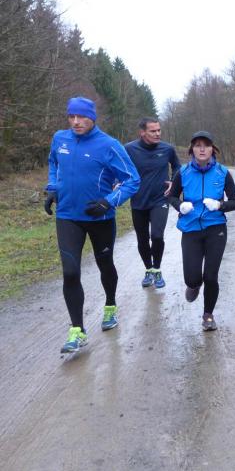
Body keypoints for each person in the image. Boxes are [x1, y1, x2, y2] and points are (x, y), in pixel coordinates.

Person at [45, 97, 140, 353]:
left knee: (105, 265)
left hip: (100, 218)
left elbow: (132, 179)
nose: (76, 122)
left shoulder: (109, 145)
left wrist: (109, 202)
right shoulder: (60, 139)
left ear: (93, 118)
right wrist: (52, 188)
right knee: (70, 272)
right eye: (71, 117)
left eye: (82, 117)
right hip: (67, 216)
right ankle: (77, 330)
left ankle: (110, 305)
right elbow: (53, 163)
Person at [167, 131, 235, 331]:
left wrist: (219, 205)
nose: (202, 149)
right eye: (197, 145)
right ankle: (193, 285)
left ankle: (208, 315)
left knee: (211, 276)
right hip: (190, 229)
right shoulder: (183, 172)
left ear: (212, 149)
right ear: (191, 149)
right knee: (192, 278)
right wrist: (180, 206)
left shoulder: (222, 172)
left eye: (206, 145)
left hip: (216, 229)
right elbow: (171, 196)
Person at [125, 118, 181, 289]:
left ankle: (157, 269)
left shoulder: (167, 149)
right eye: (153, 131)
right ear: (142, 132)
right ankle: (148, 269)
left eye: (159, 130)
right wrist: (118, 182)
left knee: (157, 236)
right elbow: (119, 168)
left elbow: (177, 166)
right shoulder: (129, 149)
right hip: (138, 200)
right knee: (142, 239)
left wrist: (173, 181)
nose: (157, 133)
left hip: (160, 199)